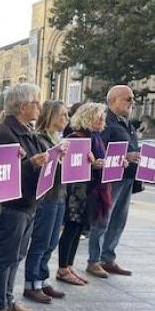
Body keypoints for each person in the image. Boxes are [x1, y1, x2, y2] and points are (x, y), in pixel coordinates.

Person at [0, 83, 49, 311]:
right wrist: (32, 163)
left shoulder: (26, 130)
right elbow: (1, 171)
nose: (39, 107)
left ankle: (8, 300)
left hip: (28, 203)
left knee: (17, 255)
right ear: (23, 106)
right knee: (5, 257)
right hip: (13, 205)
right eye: (36, 103)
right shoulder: (4, 132)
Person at [87, 85, 140, 277]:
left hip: (126, 177)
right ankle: (94, 260)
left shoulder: (126, 123)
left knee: (119, 220)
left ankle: (108, 258)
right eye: (127, 99)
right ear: (113, 101)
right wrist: (126, 154)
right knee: (103, 219)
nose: (131, 102)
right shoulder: (106, 122)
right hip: (110, 178)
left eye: (132, 99)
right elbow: (98, 148)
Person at [58, 103, 111, 283]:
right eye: (98, 116)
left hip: (89, 191)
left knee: (78, 229)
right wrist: (92, 165)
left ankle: (69, 266)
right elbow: (71, 166)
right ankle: (63, 268)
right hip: (76, 192)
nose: (102, 120)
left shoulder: (95, 137)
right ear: (87, 117)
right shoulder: (76, 137)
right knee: (71, 229)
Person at [23, 101, 69, 303]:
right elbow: (44, 168)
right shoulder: (41, 139)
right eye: (62, 116)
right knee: (41, 240)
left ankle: (42, 278)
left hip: (59, 195)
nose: (66, 120)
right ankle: (31, 283)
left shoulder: (59, 138)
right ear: (51, 117)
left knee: (51, 241)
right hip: (47, 198)